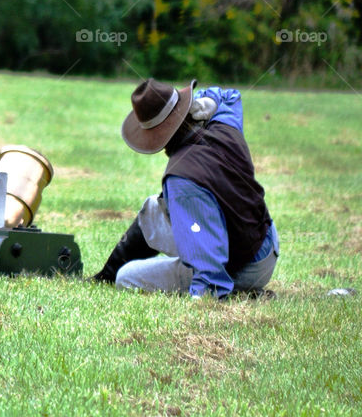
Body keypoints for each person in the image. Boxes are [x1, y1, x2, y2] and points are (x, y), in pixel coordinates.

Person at [91, 78, 279, 298]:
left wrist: (204, 298)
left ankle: (244, 292)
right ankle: (105, 276)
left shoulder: (182, 180)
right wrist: (209, 100)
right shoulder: (222, 123)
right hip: (265, 242)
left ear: (154, 137)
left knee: (127, 277)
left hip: (246, 268)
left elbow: (210, 271)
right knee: (153, 208)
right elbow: (230, 97)